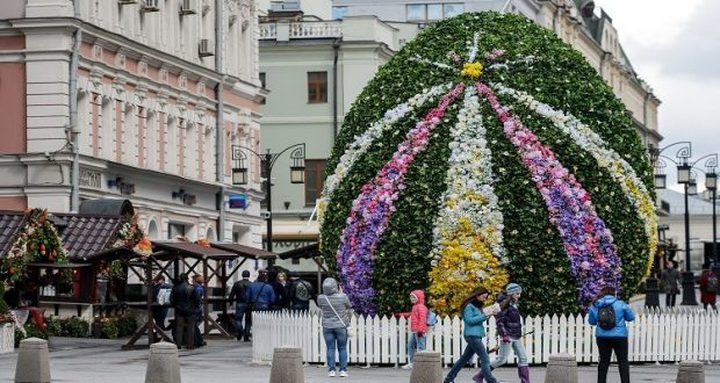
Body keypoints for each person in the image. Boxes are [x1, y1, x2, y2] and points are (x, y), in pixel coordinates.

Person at [474, 283, 529, 383]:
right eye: (517, 294)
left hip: (516, 335)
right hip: (507, 335)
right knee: (502, 359)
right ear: (511, 294)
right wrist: (504, 335)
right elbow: (500, 322)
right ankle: (479, 375)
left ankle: (525, 381)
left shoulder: (514, 304)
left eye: (519, 293)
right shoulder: (504, 305)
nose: (519, 296)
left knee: (523, 358)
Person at [444, 287, 500, 383]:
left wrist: (488, 313)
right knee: (485, 359)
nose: (484, 299)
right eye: (483, 296)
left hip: (475, 335)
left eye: (485, 297)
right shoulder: (469, 306)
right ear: (477, 295)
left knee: (463, 359)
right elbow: (469, 320)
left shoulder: (476, 307)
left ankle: (448, 379)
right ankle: (492, 381)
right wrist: (484, 315)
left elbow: (477, 319)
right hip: (472, 336)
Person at [588, 286, 635, 383]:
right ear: (614, 294)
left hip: (602, 336)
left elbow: (591, 322)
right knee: (622, 361)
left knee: (604, 361)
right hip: (619, 336)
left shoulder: (596, 304)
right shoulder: (621, 304)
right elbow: (630, 317)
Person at [317, 277, 352, 378]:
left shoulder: (321, 298)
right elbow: (349, 306)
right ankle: (343, 370)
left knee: (330, 348)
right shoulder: (343, 296)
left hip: (327, 326)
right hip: (341, 326)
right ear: (335, 286)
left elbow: (321, 306)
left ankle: (331, 370)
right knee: (342, 348)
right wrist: (341, 292)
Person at [397, 290, 428, 370]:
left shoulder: (421, 307)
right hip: (415, 330)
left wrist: (421, 330)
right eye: (411, 297)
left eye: (414, 297)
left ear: (419, 297)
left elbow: (422, 319)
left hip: (419, 331)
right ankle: (412, 363)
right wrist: (400, 315)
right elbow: (411, 314)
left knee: (421, 348)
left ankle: (422, 365)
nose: (412, 298)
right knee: (410, 346)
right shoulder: (415, 307)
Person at [170, 273, 199, 349]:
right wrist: (195, 307)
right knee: (190, 328)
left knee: (179, 328)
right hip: (190, 310)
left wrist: (176, 306)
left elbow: (172, 300)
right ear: (187, 279)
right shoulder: (192, 288)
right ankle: (190, 344)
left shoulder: (176, 288)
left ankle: (178, 344)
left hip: (179, 310)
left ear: (180, 279)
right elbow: (197, 300)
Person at [244, 270, 275, 339]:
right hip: (265, 305)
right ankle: (263, 334)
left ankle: (246, 334)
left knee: (250, 320)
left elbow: (247, 297)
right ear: (265, 279)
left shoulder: (251, 286)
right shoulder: (269, 287)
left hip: (254, 305)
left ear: (258, 279)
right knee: (264, 321)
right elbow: (272, 299)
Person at [229, 270, 252, 341]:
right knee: (248, 320)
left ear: (242, 275)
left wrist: (231, 303)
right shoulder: (251, 284)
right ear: (249, 275)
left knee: (238, 319)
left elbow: (232, 294)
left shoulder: (237, 283)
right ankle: (246, 336)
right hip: (249, 304)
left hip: (239, 303)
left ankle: (240, 331)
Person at [192, 274, 206, 347]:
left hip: (196, 308)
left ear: (195, 280)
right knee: (195, 325)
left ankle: (198, 341)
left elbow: (196, 298)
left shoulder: (197, 288)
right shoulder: (200, 287)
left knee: (194, 325)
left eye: (192, 280)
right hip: (199, 307)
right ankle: (199, 340)